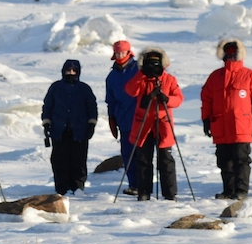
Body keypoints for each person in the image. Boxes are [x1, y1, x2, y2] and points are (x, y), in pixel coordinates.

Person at [201, 38, 252, 200]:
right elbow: (206, 98)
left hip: (242, 127)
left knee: (241, 160)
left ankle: (241, 191)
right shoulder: (215, 77)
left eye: (233, 54)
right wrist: (206, 119)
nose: (230, 57)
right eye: (227, 54)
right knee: (224, 161)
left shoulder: (250, 76)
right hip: (220, 126)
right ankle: (228, 190)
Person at [122, 47, 183, 200]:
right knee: (143, 160)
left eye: (156, 64)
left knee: (166, 160)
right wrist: (141, 74)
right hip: (143, 124)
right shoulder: (140, 78)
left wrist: (167, 99)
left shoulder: (169, 80)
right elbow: (130, 90)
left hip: (163, 124)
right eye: (149, 64)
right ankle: (144, 192)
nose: (153, 67)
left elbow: (179, 98)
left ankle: (169, 194)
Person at [41, 59, 98, 194]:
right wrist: (47, 123)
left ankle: (77, 187)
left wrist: (91, 124)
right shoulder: (55, 87)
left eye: (73, 70)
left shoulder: (84, 88)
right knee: (59, 160)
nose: (70, 73)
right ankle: (61, 187)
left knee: (78, 160)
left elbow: (92, 107)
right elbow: (48, 106)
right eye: (68, 70)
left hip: (80, 130)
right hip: (59, 130)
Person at [104, 40, 140, 193]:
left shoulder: (139, 69)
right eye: (117, 53)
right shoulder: (111, 76)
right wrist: (112, 118)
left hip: (141, 118)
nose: (120, 55)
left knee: (141, 154)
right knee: (127, 153)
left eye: (122, 52)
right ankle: (133, 185)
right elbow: (110, 100)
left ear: (129, 52)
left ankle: (144, 185)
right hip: (123, 120)